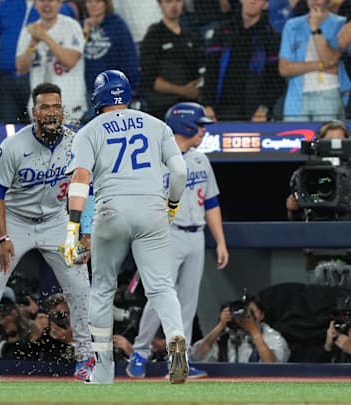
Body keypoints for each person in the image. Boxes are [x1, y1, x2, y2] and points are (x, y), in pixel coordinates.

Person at [0, 82, 94, 382]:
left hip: (56, 222)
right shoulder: (13, 146)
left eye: (56, 107)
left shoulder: (77, 142)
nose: (51, 113)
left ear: (63, 110)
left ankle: (86, 359)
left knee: (80, 289)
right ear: (34, 112)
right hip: (15, 221)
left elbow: (85, 186)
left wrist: (84, 232)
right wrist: (2, 237)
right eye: (45, 107)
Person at [64, 69, 190, 385]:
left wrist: (72, 228)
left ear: (97, 97)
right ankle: (176, 336)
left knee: (103, 289)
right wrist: (172, 204)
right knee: (161, 285)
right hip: (152, 206)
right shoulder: (157, 124)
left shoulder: (90, 130)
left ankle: (104, 369)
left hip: (112, 209)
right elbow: (179, 171)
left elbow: (80, 180)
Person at [126, 102, 229, 380]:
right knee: (160, 297)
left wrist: (220, 242)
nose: (204, 130)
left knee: (187, 303)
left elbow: (211, 203)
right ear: (185, 125)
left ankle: (177, 361)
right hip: (166, 236)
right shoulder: (156, 159)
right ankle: (140, 351)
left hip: (196, 236)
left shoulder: (200, 159)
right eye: (200, 124)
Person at [0, 0, 75, 124]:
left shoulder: (57, 7)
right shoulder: (6, 4)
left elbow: (69, 44)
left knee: (39, 126)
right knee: (7, 127)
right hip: (5, 80)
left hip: (38, 80)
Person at [203, 0, 284, 122]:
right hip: (221, 110)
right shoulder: (222, 31)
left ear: (266, 4)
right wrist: (207, 105)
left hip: (256, 114)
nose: (253, 1)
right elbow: (211, 71)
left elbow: (275, 79)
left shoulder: (272, 37)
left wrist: (264, 108)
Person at [15, 0, 87, 122]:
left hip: (71, 111)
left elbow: (70, 61)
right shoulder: (29, 31)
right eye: (42, 1)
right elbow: (21, 68)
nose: (46, 4)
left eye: (51, 0)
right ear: (36, 4)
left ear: (59, 3)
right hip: (40, 113)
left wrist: (45, 37)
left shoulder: (72, 26)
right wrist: (32, 44)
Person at [279, 0, 349, 122]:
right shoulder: (292, 26)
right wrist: (320, 65)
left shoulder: (340, 23)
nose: (314, 1)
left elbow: (330, 59)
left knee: (327, 139)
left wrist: (315, 27)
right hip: (296, 99)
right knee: (295, 138)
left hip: (328, 94)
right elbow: (284, 69)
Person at [138, 0, 204, 119]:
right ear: (160, 4)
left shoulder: (192, 35)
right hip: (162, 108)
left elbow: (200, 69)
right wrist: (182, 90)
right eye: (168, 1)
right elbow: (150, 78)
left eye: (178, 1)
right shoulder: (153, 36)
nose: (174, 6)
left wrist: (196, 86)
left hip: (190, 106)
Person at [189, 293, 291, 362]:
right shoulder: (227, 337)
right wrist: (220, 326)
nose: (247, 316)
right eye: (243, 311)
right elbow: (196, 356)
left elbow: (272, 366)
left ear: (262, 315)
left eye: (252, 311)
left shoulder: (272, 337)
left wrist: (254, 332)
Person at [82, 0, 138, 121]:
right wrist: (85, 31)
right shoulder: (80, 26)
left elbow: (130, 58)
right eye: (89, 2)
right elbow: (75, 56)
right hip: (87, 90)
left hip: (113, 90)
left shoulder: (118, 25)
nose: (93, 5)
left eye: (97, 1)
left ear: (106, 4)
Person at [286, 120, 349, 221]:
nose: (334, 145)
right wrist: (293, 210)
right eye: (329, 141)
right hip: (315, 229)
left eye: (339, 140)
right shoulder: (304, 175)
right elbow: (295, 220)